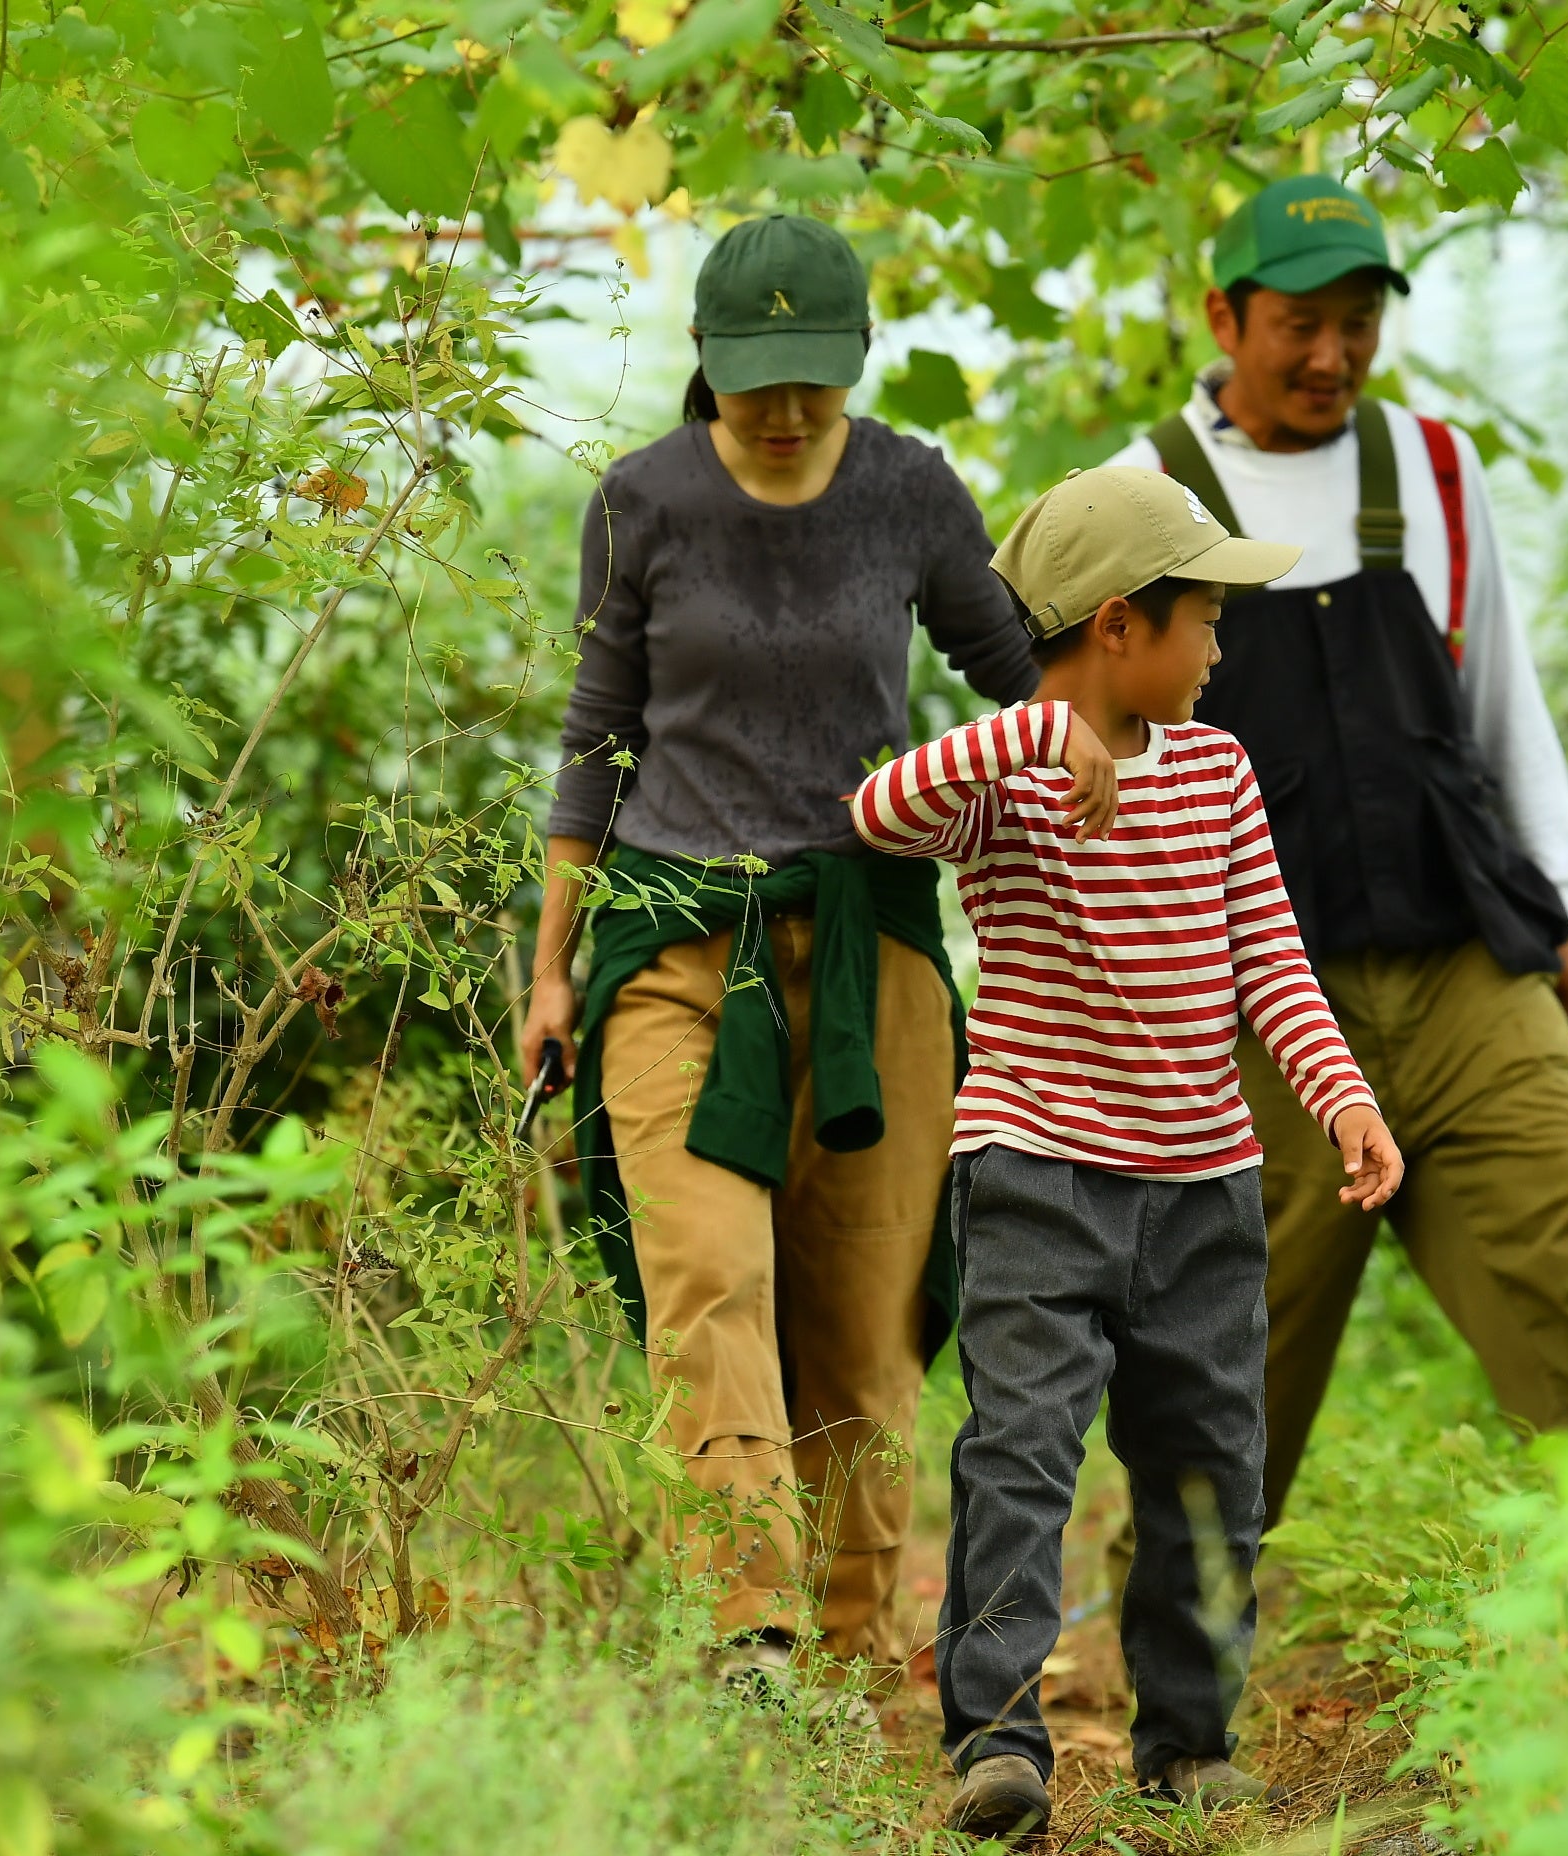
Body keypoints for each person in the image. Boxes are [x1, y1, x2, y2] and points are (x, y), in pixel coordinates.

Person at [518, 214, 1038, 1683]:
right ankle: (752, 1634)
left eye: (817, 375)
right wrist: (551, 972)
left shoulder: (911, 495)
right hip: (675, 943)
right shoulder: (645, 503)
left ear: (858, 360)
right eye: (760, 378)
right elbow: (596, 747)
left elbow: (1016, 687)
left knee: (864, 1318)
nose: (791, 408)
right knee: (706, 1281)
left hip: (870, 953)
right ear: (708, 363)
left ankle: (858, 1657)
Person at [849, 469, 1405, 1839]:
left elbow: (1269, 965)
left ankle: (1192, 1739)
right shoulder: (1005, 779)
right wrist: (1027, 741)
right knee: (1022, 1455)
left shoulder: (1215, 774)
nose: (1220, 650)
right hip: (1036, 1177)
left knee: (1213, 1464)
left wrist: (1345, 1099)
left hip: (1204, 1189)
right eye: (1205, 619)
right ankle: (996, 1739)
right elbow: (876, 813)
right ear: (1118, 627)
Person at [1107, 175, 1568, 1523]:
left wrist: (1557, 919)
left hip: (1464, 967)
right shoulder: (1138, 499)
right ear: (1222, 317)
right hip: (1252, 1016)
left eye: (1358, 322)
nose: (1330, 355)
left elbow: (1498, 704)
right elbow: (1094, 771)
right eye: (1299, 323)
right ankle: (1172, 1706)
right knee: (1226, 1352)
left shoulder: (1432, 468)